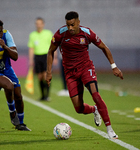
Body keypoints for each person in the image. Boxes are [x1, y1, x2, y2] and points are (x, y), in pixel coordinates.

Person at [46, 11, 123, 139]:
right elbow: (50, 51)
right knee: (78, 108)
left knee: (96, 96)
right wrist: (49, 72)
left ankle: (110, 129)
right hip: (70, 73)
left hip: (86, 68)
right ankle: (94, 110)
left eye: (72, 25)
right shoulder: (60, 34)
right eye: (68, 25)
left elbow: (104, 47)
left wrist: (113, 66)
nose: (70, 28)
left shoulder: (87, 33)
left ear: (78, 22)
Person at [28, 17, 54, 101]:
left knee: (46, 75)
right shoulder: (32, 35)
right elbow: (31, 48)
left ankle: (47, 95)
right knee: (39, 77)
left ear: (43, 24)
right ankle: (42, 95)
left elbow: (53, 45)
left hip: (46, 56)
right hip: (37, 56)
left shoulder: (48, 33)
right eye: (37, 23)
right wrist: (31, 59)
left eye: (40, 23)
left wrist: (55, 57)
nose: (38, 25)